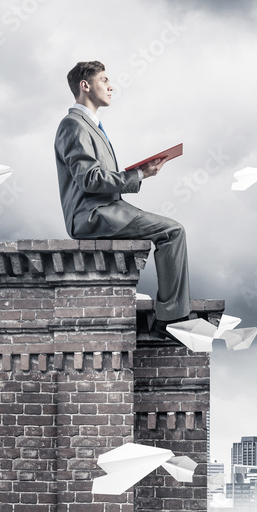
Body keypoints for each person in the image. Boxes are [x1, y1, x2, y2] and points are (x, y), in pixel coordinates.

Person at [54, 60, 189, 340]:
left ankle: (169, 316)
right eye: (104, 80)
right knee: (173, 232)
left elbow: (98, 176)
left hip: (109, 208)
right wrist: (139, 174)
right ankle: (170, 320)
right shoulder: (73, 125)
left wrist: (136, 172)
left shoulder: (90, 125)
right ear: (85, 85)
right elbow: (90, 180)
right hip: (93, 214)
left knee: (171, 230)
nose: (111, 86)